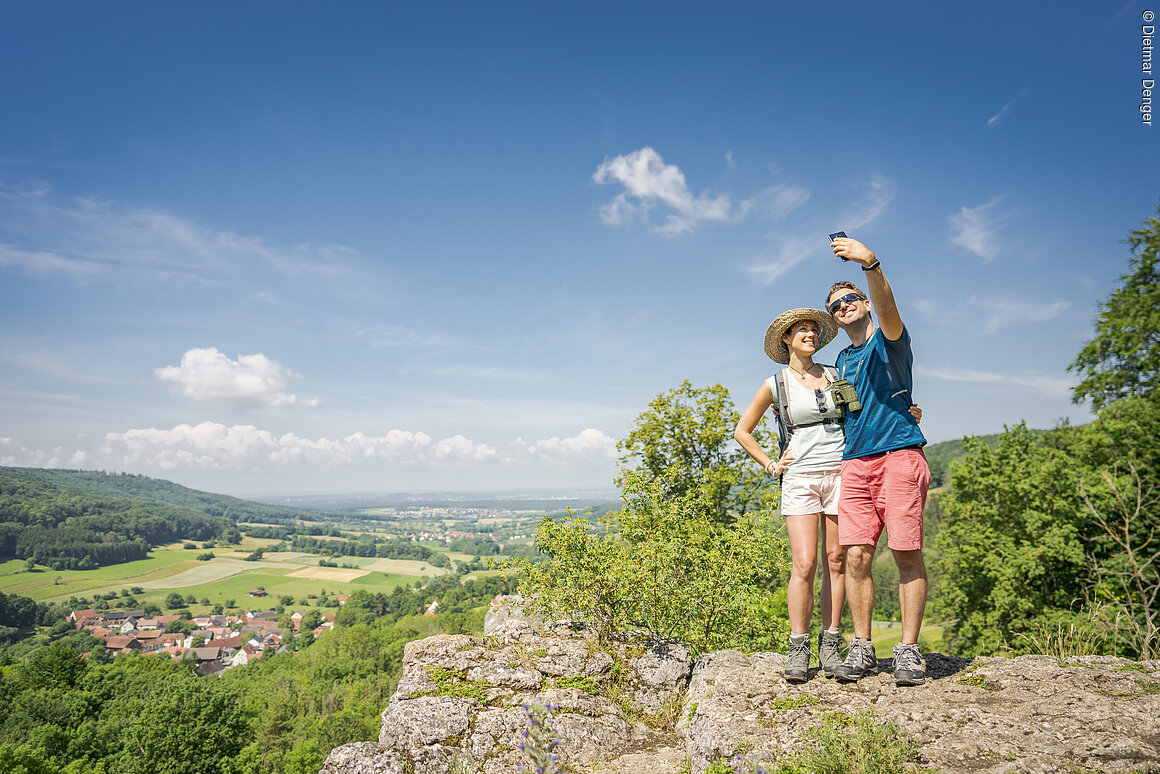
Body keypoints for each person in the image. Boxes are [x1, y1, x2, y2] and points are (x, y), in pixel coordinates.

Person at [734, 308, 921, 683]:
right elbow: (742, 431)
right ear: (786, 340)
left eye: (813, 330)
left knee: (837, 560)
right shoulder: (775, 384)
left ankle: (831, 643)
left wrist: (907, 412)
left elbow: (862, 409)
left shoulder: (836, 374)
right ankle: (798, 647)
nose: (810, 334)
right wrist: (771, 463)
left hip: (841, 471)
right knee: (804, 563)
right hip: (800, 476)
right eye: (801, 330)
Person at [824, 236, 931, 687]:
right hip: (856, 463)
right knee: (856, 557)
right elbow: (846, 411)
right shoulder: (841, 361)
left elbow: (889, 311)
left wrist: (871, 263)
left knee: (906, 553)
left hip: (898, 457)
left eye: (850, 299)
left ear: (865, 302)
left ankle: (907, 652)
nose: (844, 306)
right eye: (835, 305)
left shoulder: (889, 340)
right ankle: (862, 649)